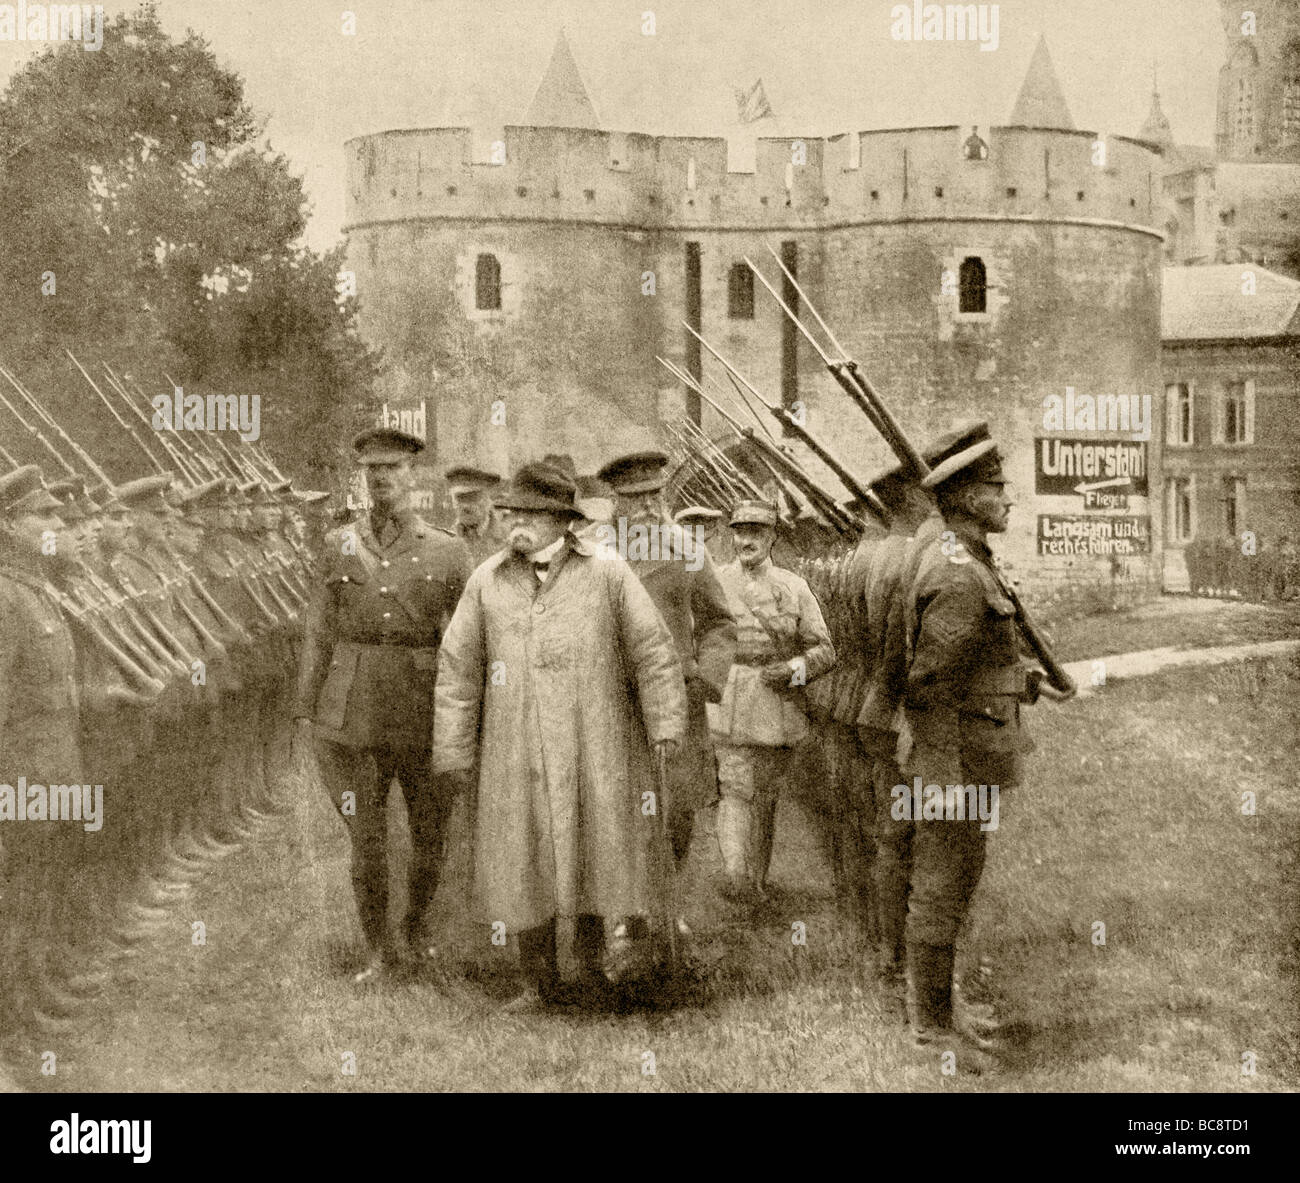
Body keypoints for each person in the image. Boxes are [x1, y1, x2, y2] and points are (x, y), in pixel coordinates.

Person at [433, 460, 686, 1011]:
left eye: (530, 514)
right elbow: (458, 666)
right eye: (511, 513)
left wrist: (665, 723)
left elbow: (653, 652)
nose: (515, 524)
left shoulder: (608, 573)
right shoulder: (488, 581)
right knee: (521, 859)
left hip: (596, 741)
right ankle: (538, 983)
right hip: (512, 745)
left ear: (561, 521)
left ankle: (593, 971)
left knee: (595, 853)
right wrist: (454, 747)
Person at [899, 434, 1064, 1073]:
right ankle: (931, 1033)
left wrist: (1019, 680)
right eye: (997, 489)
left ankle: (946, 1015)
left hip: (964, 753)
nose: (1009, 499)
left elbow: (971, 660)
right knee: (942, 887)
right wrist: (943, 772)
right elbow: (927, 680)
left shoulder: (966, 557)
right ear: (968, 497)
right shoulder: (958, 572)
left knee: (955, 882)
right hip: (952, 759)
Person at [291, 428, 471, 983]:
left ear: (413, 475)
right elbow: (319, 629)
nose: (382, 478)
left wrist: (469, 709)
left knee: (430, 834)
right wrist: (306, 705)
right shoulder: (339, 545)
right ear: (362, 476)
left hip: (421, 708)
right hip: (352, 710)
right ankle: (379, 949)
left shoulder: (448, 548)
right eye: (373, 469)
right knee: (366, 838)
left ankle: (416, 930)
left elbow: (466, 638)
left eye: (393, 468)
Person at [596, 451, 735, 883]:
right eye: (636, 499)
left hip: (679, 698)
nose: (649, 508)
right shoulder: (592, 554)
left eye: (655, 495)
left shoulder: (688, 550)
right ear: (616, 502)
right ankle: (628, 910)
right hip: (611, 698)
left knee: (677, 805)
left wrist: (705, 677)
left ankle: (666, 900)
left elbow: (720, 622)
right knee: (617, 805)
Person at [711, 499, 836, 905]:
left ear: (772, 536)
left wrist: (794, 669)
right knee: (734, 785)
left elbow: (824, 650)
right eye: (740, 531)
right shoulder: (712, 580)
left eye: (756, 532)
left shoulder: (794, 587)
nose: (746, 539)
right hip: (728, 694)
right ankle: (734, 873)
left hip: (773, 700)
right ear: (731, 535)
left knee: (764, 795)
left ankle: (756, 879)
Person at [444, 465, 505, 569]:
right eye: (460, 498)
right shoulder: (445, 540)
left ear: (489, 497)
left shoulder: (508, 539)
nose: (466, 506)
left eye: (472, 497)